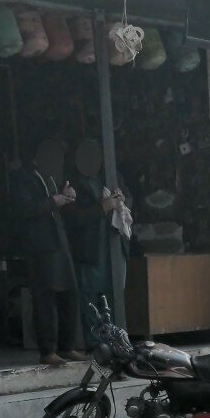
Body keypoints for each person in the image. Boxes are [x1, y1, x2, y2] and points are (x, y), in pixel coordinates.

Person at [9, 139, 86, 366]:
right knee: (44, 299)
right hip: (40, 247)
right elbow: (25, 209)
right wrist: (55, 200)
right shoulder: (22, 179)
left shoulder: (51, 178)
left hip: (59, 244)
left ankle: (67, 346)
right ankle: (48, 350)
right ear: (36, 158)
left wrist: (66, 196)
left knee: (69, 295)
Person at [66, 139, 131, 351]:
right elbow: (73, 218)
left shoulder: (112, 177)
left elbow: (129, 200)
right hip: (90, 251)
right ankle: (97, 346)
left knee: (114, 297)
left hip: (113, 249)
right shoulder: (73, 185)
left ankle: (118, 344)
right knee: (90, 298)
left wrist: (122, 200)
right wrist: (102, 207)